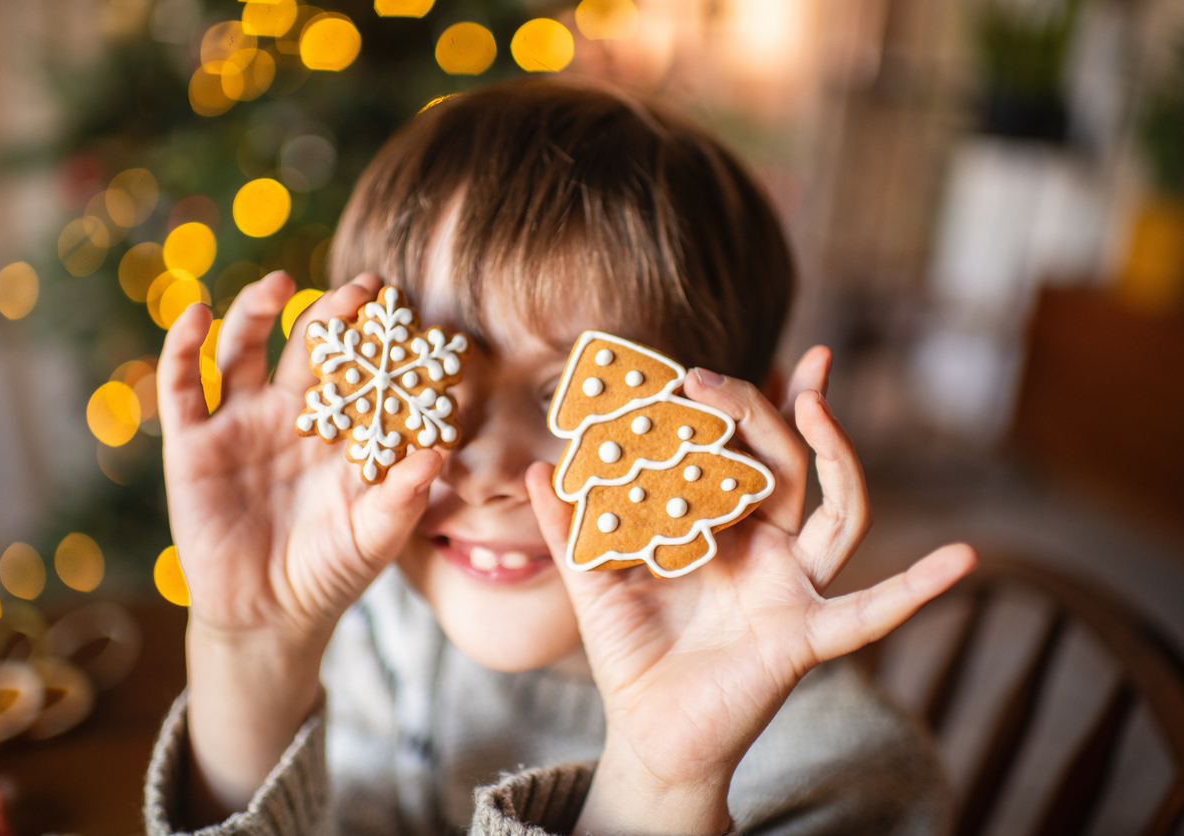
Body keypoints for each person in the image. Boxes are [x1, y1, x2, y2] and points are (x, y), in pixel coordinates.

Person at [146, 78, 976, 836]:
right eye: (439, 388)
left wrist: (661, 785)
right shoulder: (379, 634)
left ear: (732, 430)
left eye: (565, 398)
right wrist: (247, 650)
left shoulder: (852, 781)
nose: (483, 471)